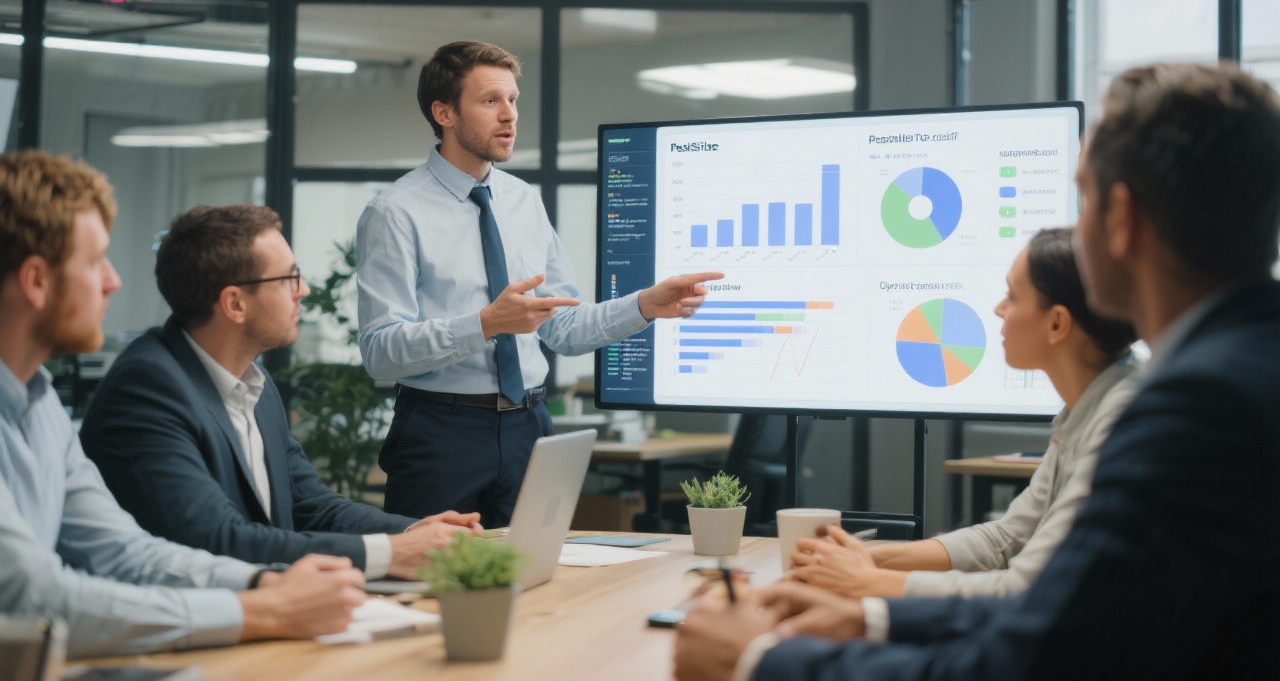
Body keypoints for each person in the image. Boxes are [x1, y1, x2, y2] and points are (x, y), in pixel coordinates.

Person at [673, 62, 1280, 681]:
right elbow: (1062, 613)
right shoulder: (1243, 372)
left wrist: (758, 659)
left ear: (1121, 219)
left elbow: (1031, 659)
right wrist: (872, 618)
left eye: (1084, 194)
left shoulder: (1200, 409)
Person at [0, 150, 365, 658]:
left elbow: (127, 554)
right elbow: (33, 599)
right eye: (94, 261)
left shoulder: (39, 406)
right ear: (37, 281)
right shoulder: (147, 382)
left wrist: (264, 583)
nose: (113, 280)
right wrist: (260, 611)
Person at [357, 40, 723, 525]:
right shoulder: (395, 212)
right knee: (431, 587)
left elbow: (564, 329)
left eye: (513, 100)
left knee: (540, 579)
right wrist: (485, 324)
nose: (509, 116)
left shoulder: (522, 201)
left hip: (531, 427)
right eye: (490, 101)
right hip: (440, 434)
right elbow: (381, 351)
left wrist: (644, 306)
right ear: (443, 112)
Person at [79, 205, 481, 581]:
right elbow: (218, 541)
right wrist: (390, 553)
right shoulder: (147, 390)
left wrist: (416, 531)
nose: (303, 290)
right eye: (289, 277)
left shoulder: (255, 380)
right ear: (235, 303)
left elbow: (311, 505)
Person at [792, 227, 1138, 599]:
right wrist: (871, 559)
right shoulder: (1088, 405)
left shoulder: (1121, 419)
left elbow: (1024, 589)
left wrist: (867, 582)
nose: (998, 308)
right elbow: (1006, 538)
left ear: (1057, 323)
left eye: (1012, 295)